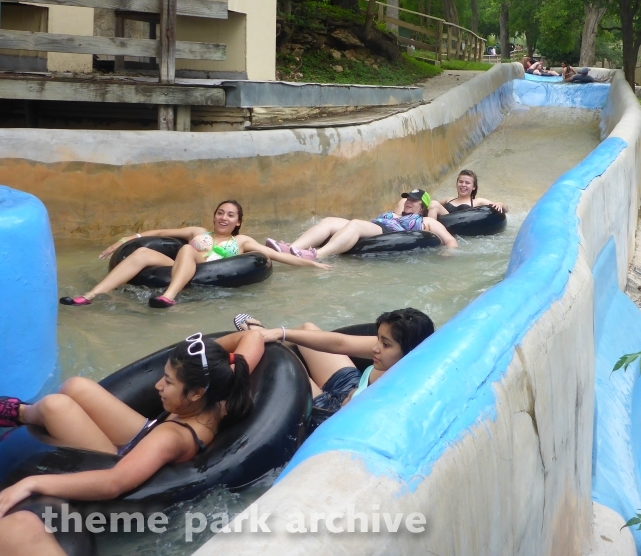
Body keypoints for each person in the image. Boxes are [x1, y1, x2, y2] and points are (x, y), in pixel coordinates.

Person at [0, 330, 262, 551]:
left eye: (168, 382)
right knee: (76, 386)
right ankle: (25, 413)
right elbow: (252, 337)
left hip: (116, 459)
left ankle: (20, 413)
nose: (158, 385)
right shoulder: (218, 394)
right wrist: (269, 333)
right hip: (144, 434)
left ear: (195, 393)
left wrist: (31, 483)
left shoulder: (172, 437)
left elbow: (114, 483)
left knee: (56, 407)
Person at [60, 200, 329, 309]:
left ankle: (169, 296)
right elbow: (159, 232)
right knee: (143, 254)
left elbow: (278, 257)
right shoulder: (197, 232)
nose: (223, 218)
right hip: (182, 263)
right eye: (220, 213)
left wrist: (312, 266)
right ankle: (91, 296)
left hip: (210, 269)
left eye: (230, 215)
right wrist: (128, 238)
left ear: (238, 222)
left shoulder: (243, 241)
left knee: (189, 249)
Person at [234, 308, 434, 419]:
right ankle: (267, 334)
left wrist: (353, 401)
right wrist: (281, 332)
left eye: (386, 344)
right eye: (378, 339)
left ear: (410, 352)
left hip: (331, 416)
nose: (376, 348)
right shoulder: (387, 352)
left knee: (282, 361)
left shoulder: (402, 386)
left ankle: (257, 339)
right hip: (353, 387)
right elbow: (341, 343)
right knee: (308, 328)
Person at [264, 190, 457, 260]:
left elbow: (449, 240)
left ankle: (317, 255)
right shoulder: (394, 213)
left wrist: (446, 254)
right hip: (376, 225)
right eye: (407, 198)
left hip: (388, 233)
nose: (408, 201)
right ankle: (292, 248)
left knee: (355, 224)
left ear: (422, 207)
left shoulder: (425, 221)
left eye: (414, 200)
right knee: (329, 221)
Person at [427, 169, 508, 219]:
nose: (463, 185)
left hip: (462, 227)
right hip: (445, 225)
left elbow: (505, 209)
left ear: (474, 187)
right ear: (457, 183)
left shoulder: (478, 201)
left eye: (467, 183)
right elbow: (430, 206)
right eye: (461, 182)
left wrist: (500, 204)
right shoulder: (449, 199)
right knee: (433, 203)